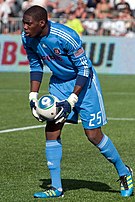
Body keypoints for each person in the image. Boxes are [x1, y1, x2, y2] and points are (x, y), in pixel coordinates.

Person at [21, 5, 133, 199]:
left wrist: (72, 100)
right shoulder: (27, 38)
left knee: (93, 135)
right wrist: (33, 96)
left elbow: (84, 68)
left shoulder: (66, 35)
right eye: (23, 23)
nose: (24, 27)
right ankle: (56, 188)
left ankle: (124, 172)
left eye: (28, 23)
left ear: (42, 23)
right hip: (59, 83)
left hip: (84, 83)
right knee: (52, 130)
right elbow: (35, 65)